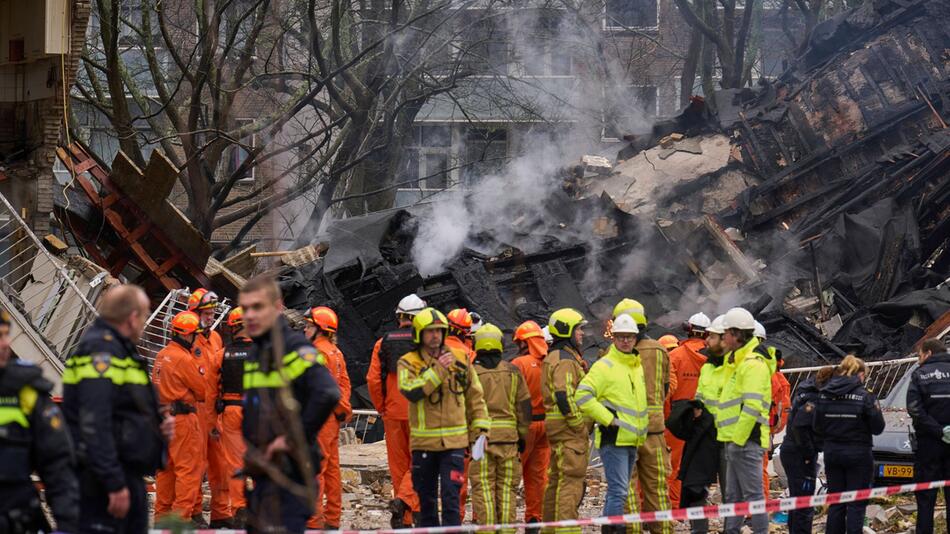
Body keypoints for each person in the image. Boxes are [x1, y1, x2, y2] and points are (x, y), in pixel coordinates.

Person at [63, 284, 172, 532]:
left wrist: (156, 428)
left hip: (121, 475)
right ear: (133, 318)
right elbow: (94, 421)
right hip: (104, 481)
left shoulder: (120, 351)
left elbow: (122, 412)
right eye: (144, 316)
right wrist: (113, 482)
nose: (144, 323)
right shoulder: (102, 352)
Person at [240, 276, 341, 533]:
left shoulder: (293, 348)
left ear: (277, 308)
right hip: (263, 472)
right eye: (245, 308)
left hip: (290, 473)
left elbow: (328, 392)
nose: (250, 315)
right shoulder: (257, 352)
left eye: (258, 307)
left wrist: (291, 439)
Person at [397, 308, 490, 527]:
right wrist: (438, 370)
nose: (436, 336)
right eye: (430, 332)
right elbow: (411, 390)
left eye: (439, 331)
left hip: (454, 445)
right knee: (427, 502)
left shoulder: (460, 358)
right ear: (419, 334)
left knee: (451, 499)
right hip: (424, 445)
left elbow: (475, 396)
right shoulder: (408, 362)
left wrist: (481, 430)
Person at [0, 307, 78, 532]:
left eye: (6, 334)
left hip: (16, 517)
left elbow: (58, 465)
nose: (6, 343)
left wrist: (68, 524)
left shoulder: (26, 392)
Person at [575, 314, 648, 534]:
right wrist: (608, 419)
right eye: (621, 337)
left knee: (621, 490)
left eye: (629, 337)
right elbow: (583, 396)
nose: (625, 341)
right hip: (613, 438)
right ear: (613, 338)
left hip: (631, 438)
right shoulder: (604, 366)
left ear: (636, 339)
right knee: (618, 491)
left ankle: (613, 529)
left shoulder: (636, 366)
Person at [612, 299, 672, 534]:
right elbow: (666, 388)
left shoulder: (616, 352)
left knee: (626, 490)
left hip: (625, 432)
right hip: (654, 431)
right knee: (657, 488)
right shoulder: (660, 350)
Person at [366, 293, 425, 527]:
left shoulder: (383, 343)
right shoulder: (426, 342)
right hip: (420, 413)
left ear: (399, 316)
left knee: (399, 466)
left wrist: (381, 407)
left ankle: (406, 518)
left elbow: (373, 380)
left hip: (392, 413)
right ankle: (410, 506)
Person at [469, 323, 531, 530]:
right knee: (507, 490)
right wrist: (521, 437)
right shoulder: (512, 372)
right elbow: (524, 408)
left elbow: (463, 409)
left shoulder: (471, 374)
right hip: (509, 441)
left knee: (483, 488)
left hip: (480, 443)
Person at [813, 355, 885, 534]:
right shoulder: (865, 396)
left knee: (836, 502)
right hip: (858, 454)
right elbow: (878, 427)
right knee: (856, 504)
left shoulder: (825, 394)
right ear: (860, 375)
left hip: (832, 454)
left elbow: (816, 426)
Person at [715, 307, 771, 534]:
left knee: (753, 497)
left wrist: (737, 440)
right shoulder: (738, 362)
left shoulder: (752, 364)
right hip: (736, 441)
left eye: (726, 333)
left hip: (745, 442)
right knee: (733, 497)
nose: (723, 337)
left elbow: (752, 406)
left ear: (737, 335)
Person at [153, 311, 207, 523]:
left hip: (163, 417)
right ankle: (179, 520)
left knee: (165, 469)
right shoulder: (183, 359)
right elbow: (202, 390)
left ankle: (161, 519)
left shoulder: (161, 355)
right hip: (182, 420)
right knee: (188, 471)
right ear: (187, 335)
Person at [541, 307, 590, 534]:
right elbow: (564, 395)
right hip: (569, 431)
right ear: (567, 330)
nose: (582, 333)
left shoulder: (555, 356)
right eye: (578, 329)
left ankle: (550, 529)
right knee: (571, 481)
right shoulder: (566, 360)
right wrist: (579, 424)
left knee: (557, 480)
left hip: (558, 429)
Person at [186, 288, 232, 527]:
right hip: (195, 407)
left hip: (215, 408)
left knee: (220, 463)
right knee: (196, 463)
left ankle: (221, 513)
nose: (211, 316)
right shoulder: (187, 339)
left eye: (213, 311)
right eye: (207, 312)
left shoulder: (214, 338)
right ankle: (194, 511)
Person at [305, 307, 353, 530]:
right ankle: (332, 518)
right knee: (332, 470)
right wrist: (342, 410)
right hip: (332, 419)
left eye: (309, 325)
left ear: (320, 329)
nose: (305, 329)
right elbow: (343, 384)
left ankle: (313, 521)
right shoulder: (335, 352)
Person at [780, 366, 833, 534]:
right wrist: (810, 452)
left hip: (792, 451)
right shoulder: (815, 399)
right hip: (800, 455)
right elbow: (800, 426)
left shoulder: (806, 391)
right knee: (804, 502)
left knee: (797, 500)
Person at [665, 312, 709, 508]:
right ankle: (693, 505)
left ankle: (674, 504)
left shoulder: (674, 356)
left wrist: (667, 418)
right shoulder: (715, 358)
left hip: (677, 416)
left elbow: (667, 391)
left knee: (673, 464)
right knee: (698, 464)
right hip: (705, 416)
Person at [906, 338, 950, 534]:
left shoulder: (920, 375)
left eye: (920, 355)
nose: (918, 360)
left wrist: (937, 431)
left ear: (929, 353)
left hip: (928, 445)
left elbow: (915, 409)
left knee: (925, 499)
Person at [511, 320, 550, 529]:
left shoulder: (519, 364)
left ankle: (504, 519)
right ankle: (534, 519)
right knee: (537, 476)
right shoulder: (551, 362)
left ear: (525, 342)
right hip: (546, 425)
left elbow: (512, 396)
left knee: (513, 473)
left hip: (525, 427)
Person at [754, 322, 791, 498]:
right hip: (763, 427)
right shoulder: (776, 375)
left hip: (756, 427)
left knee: (757, 469)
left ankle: (758, 506)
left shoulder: (765, 372)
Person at [445, 307, 476, 520]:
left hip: (432, 423)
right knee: (459, 473)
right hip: (460, 423)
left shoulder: (430, 350)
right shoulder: (469, 356)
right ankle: (457, 516)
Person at [220, 307, 249, 525]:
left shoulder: (221, 354)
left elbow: (211, 389)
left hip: (231, 410)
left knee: (235, 463)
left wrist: (213, 419)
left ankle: (239, 508)